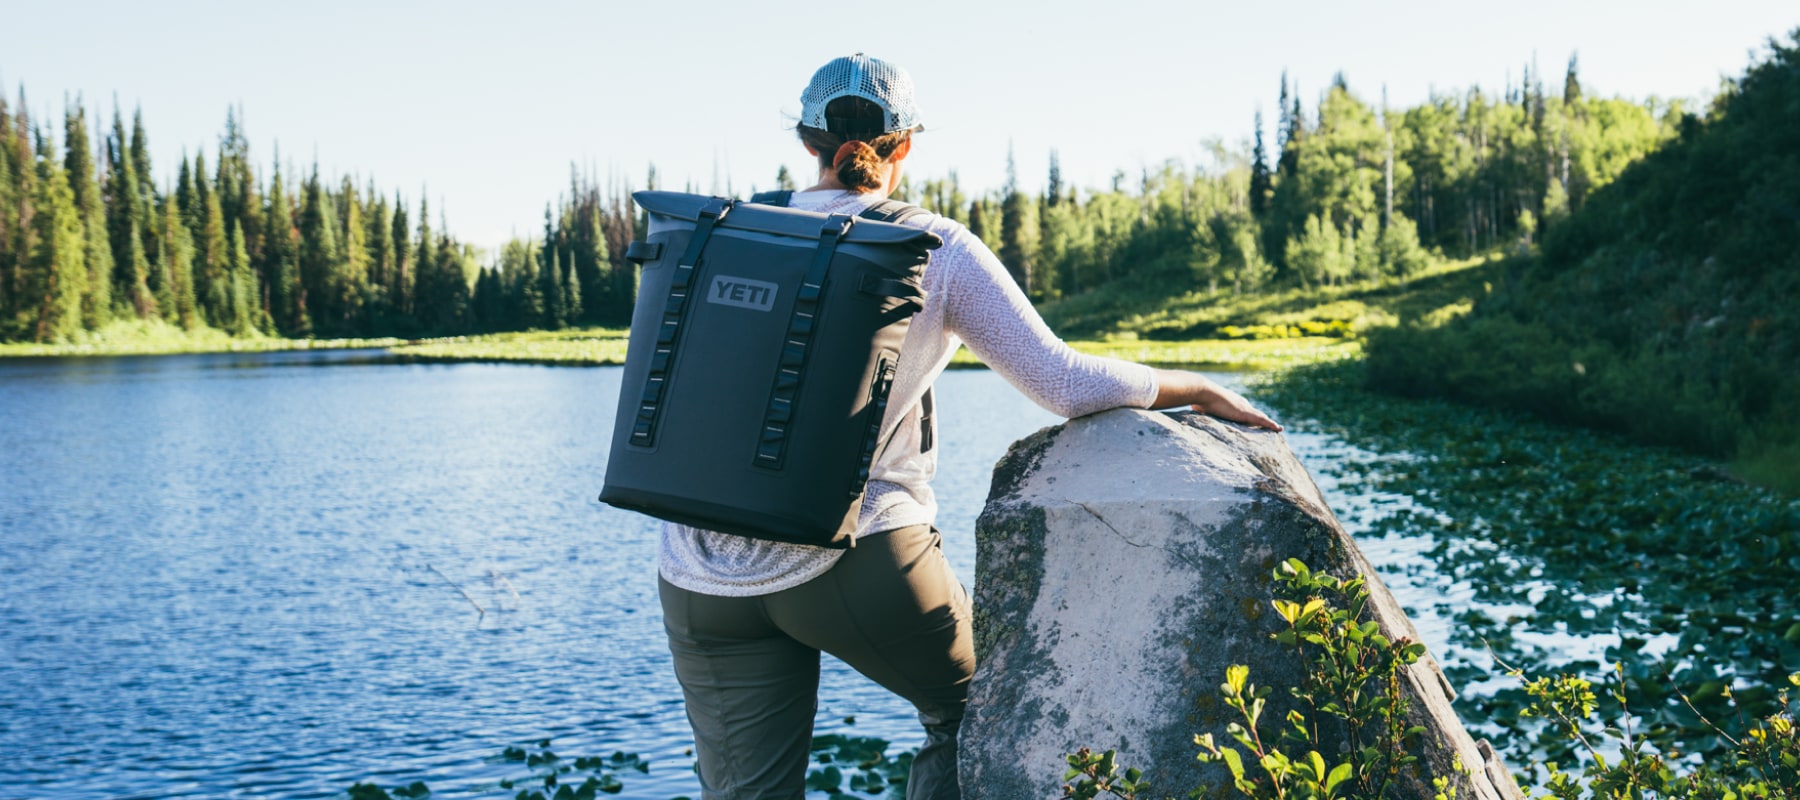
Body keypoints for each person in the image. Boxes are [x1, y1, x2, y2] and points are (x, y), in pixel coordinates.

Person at [656, 53, 1283, 800]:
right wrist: (1196, 388)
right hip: (855, 556)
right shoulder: (932, 247)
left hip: (697, 571)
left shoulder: (731, 230)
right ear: (907, 144)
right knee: (980, 713)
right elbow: (1063, 382)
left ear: (806, 142)